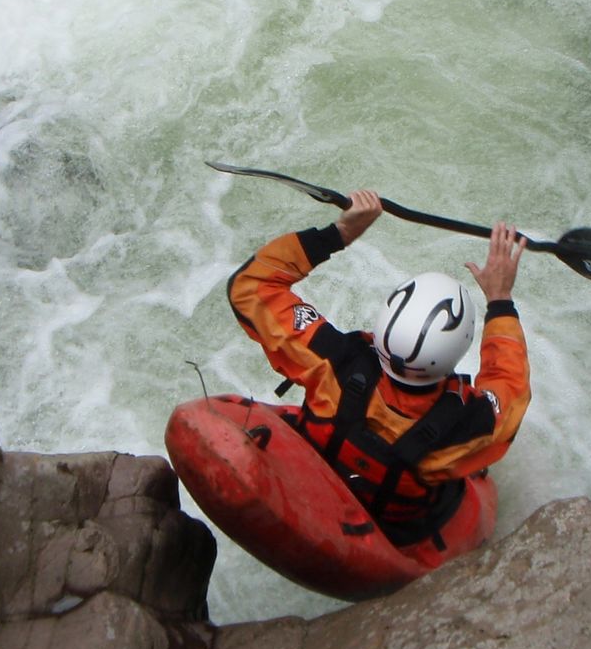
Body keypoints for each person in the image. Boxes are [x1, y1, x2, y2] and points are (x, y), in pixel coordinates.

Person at [227, 189, 530, 547]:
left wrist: (339, 233)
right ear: (458, 348)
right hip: (392, 526)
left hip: (316, 478)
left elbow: (250, 287)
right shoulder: (467, 426)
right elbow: (509, 384)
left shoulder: (329, 362)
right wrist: (500, 301)